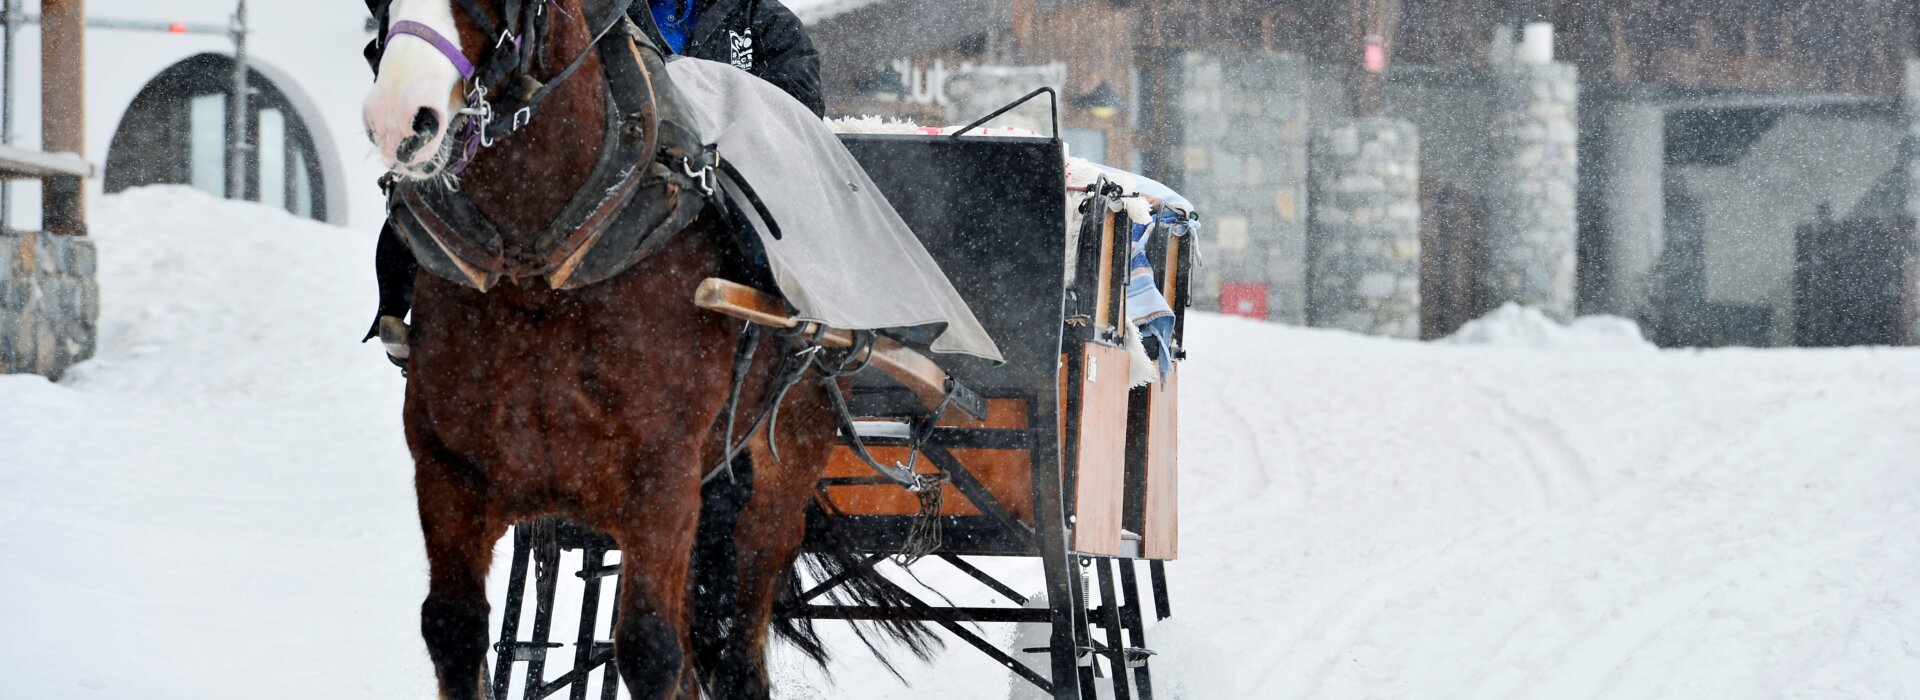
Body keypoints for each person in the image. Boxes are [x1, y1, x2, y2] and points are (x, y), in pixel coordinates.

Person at [361, 0, 824, 363]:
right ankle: (405, 305)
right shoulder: (611, 14)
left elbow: (795, 115)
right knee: (454, 184)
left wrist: (737, 131)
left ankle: (775, 321)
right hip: (634, 157)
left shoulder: (764, 24)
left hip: (724, 171)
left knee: (753, 225)